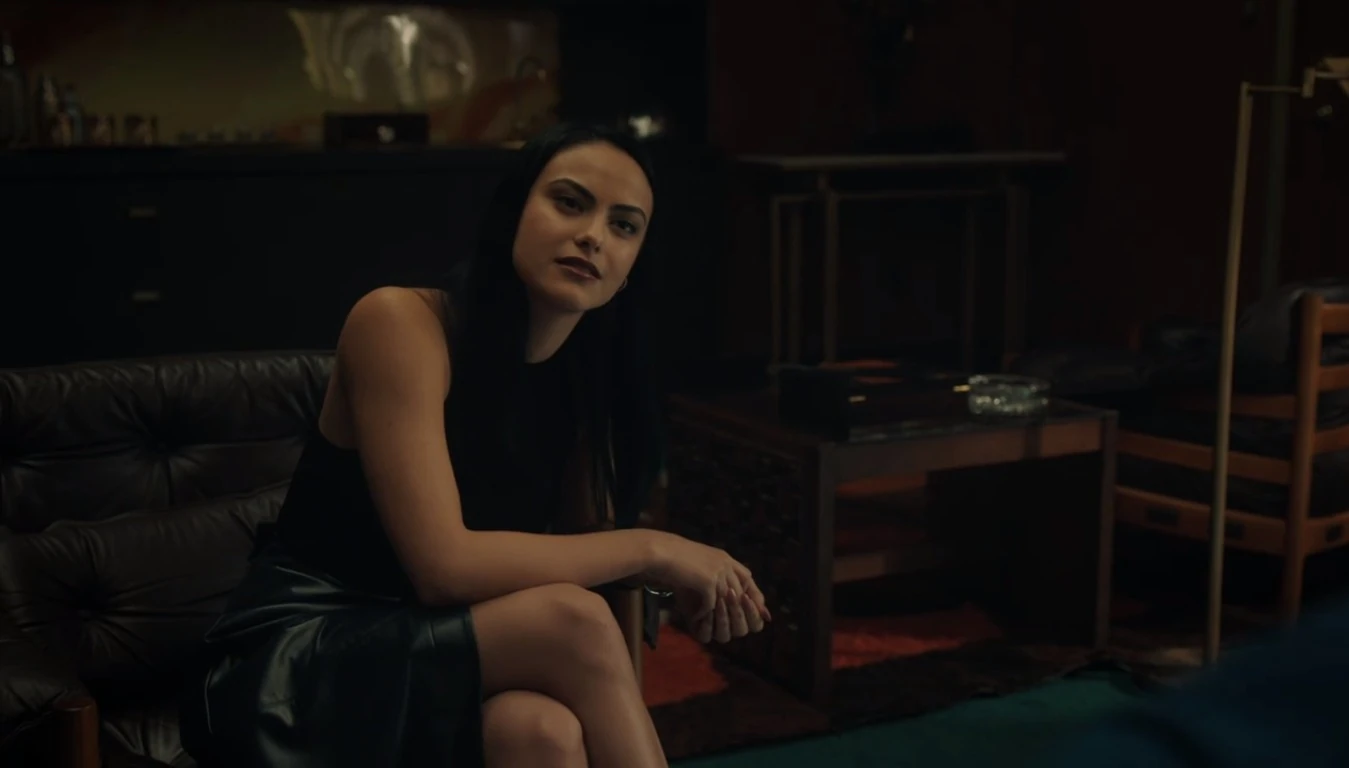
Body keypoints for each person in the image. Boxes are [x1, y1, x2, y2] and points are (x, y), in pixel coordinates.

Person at [178, 123, 771, 768]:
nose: (593, 236)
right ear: (513, 211)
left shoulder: (586, 376)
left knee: (542, 732)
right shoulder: (401, 323)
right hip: (294, 664)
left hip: (435, 650)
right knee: (574, 620)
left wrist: (662, 579)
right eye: (569, 203)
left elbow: (590, 550)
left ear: (630, 268)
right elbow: (444, 569)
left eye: (623, 225)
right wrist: (657, 548)